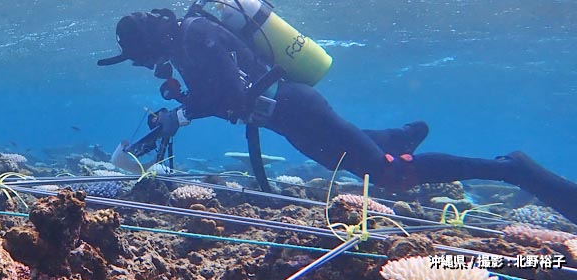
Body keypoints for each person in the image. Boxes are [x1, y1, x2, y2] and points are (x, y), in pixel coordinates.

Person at [96, 8, 577, 223]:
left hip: (296, 108)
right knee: (342, 160)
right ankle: (400, 136)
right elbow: (222, 94)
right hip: (287, 118)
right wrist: (180, 111)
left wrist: (182, 114)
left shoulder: (196, 36)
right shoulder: (186, 44)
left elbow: (232, 96)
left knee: (387, 177)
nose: (144, 66)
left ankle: (512, 169)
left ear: (150, 42)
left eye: (139, 58)